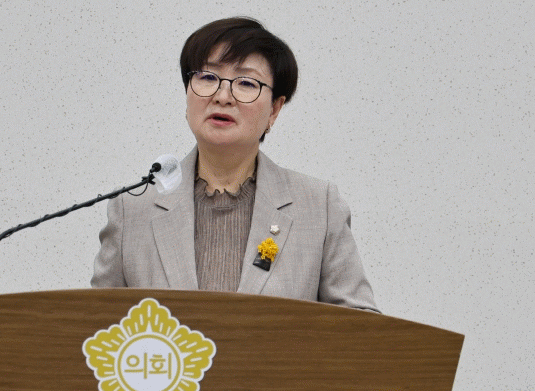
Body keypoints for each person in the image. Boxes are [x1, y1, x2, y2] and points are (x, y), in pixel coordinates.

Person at [91, 17, 378, 312]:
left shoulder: (319, 207)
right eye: (207, 77)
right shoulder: (131, 209)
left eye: (246, 83)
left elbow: (361, 325)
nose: (222, 96)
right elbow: (95, 323)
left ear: (274, 109)